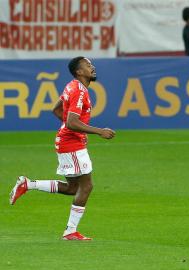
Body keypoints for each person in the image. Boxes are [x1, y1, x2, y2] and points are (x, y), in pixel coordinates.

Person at [9, 56, 115, 241]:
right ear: (79, 72)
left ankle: (27, 184)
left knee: (73, 188)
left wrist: (76, 131)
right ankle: (70, 231)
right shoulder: (80, 91)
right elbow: (72, 121)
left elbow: (57, 110)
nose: (92, 67)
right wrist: (99, 131)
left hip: (68, 141)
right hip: (71, 144)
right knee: (86, 186)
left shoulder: (72, 86)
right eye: (88, 66)